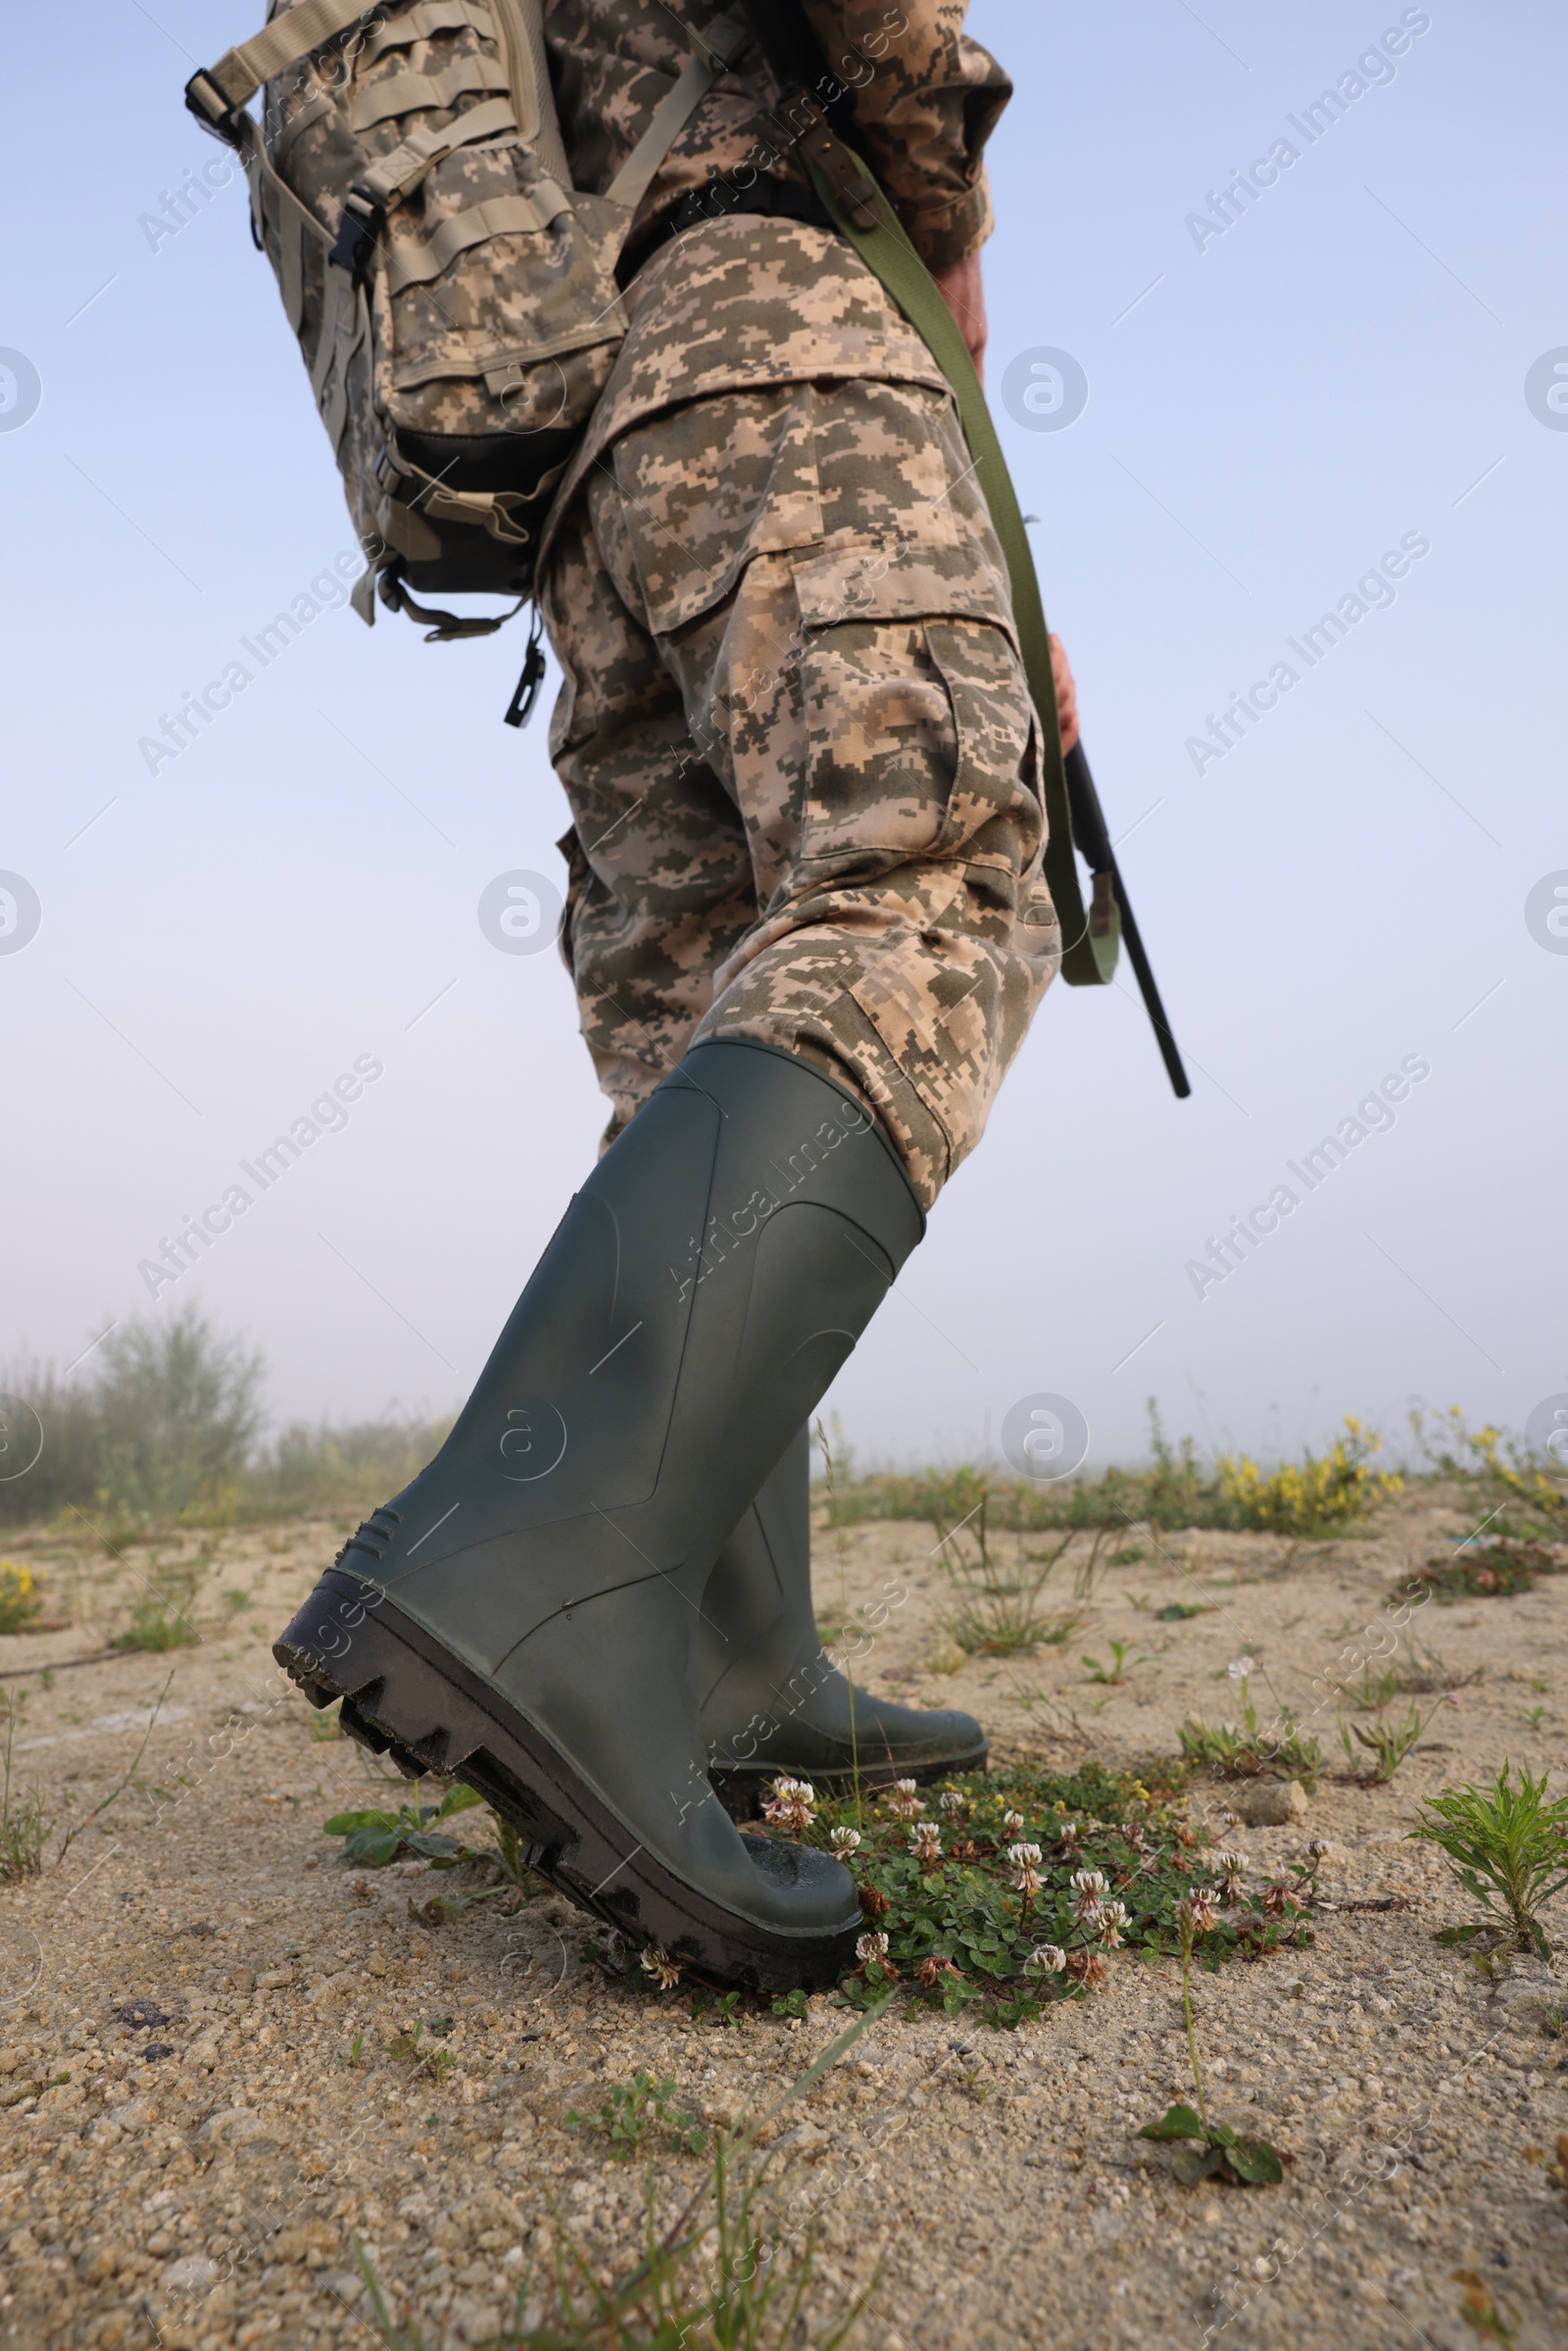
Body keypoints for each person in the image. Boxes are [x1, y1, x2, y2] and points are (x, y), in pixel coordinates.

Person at [279, 0, 1081, 1990]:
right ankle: (534, 1568)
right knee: (925, 884)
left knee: (694, 1015)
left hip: (597, 457)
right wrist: (943, 201)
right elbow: (883, 43)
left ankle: (730, 1661)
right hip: (775, 329)